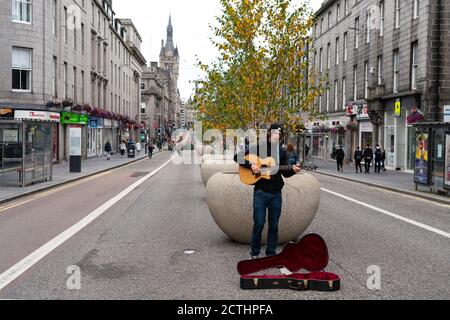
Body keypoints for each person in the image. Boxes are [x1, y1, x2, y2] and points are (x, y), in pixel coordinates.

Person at [234, 124, 301, 259]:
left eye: (280, 133)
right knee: (259, 223)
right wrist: (251, 165)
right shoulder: (259, 147)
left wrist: (293, 171)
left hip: (276, 193)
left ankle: (271, 254)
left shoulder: (282, 152)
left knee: (274, 225)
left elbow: (285, 174)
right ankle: (254, 253)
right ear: (270, 133)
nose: (277, 135)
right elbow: (237, 156)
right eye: (275, 132)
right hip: (261, 192)